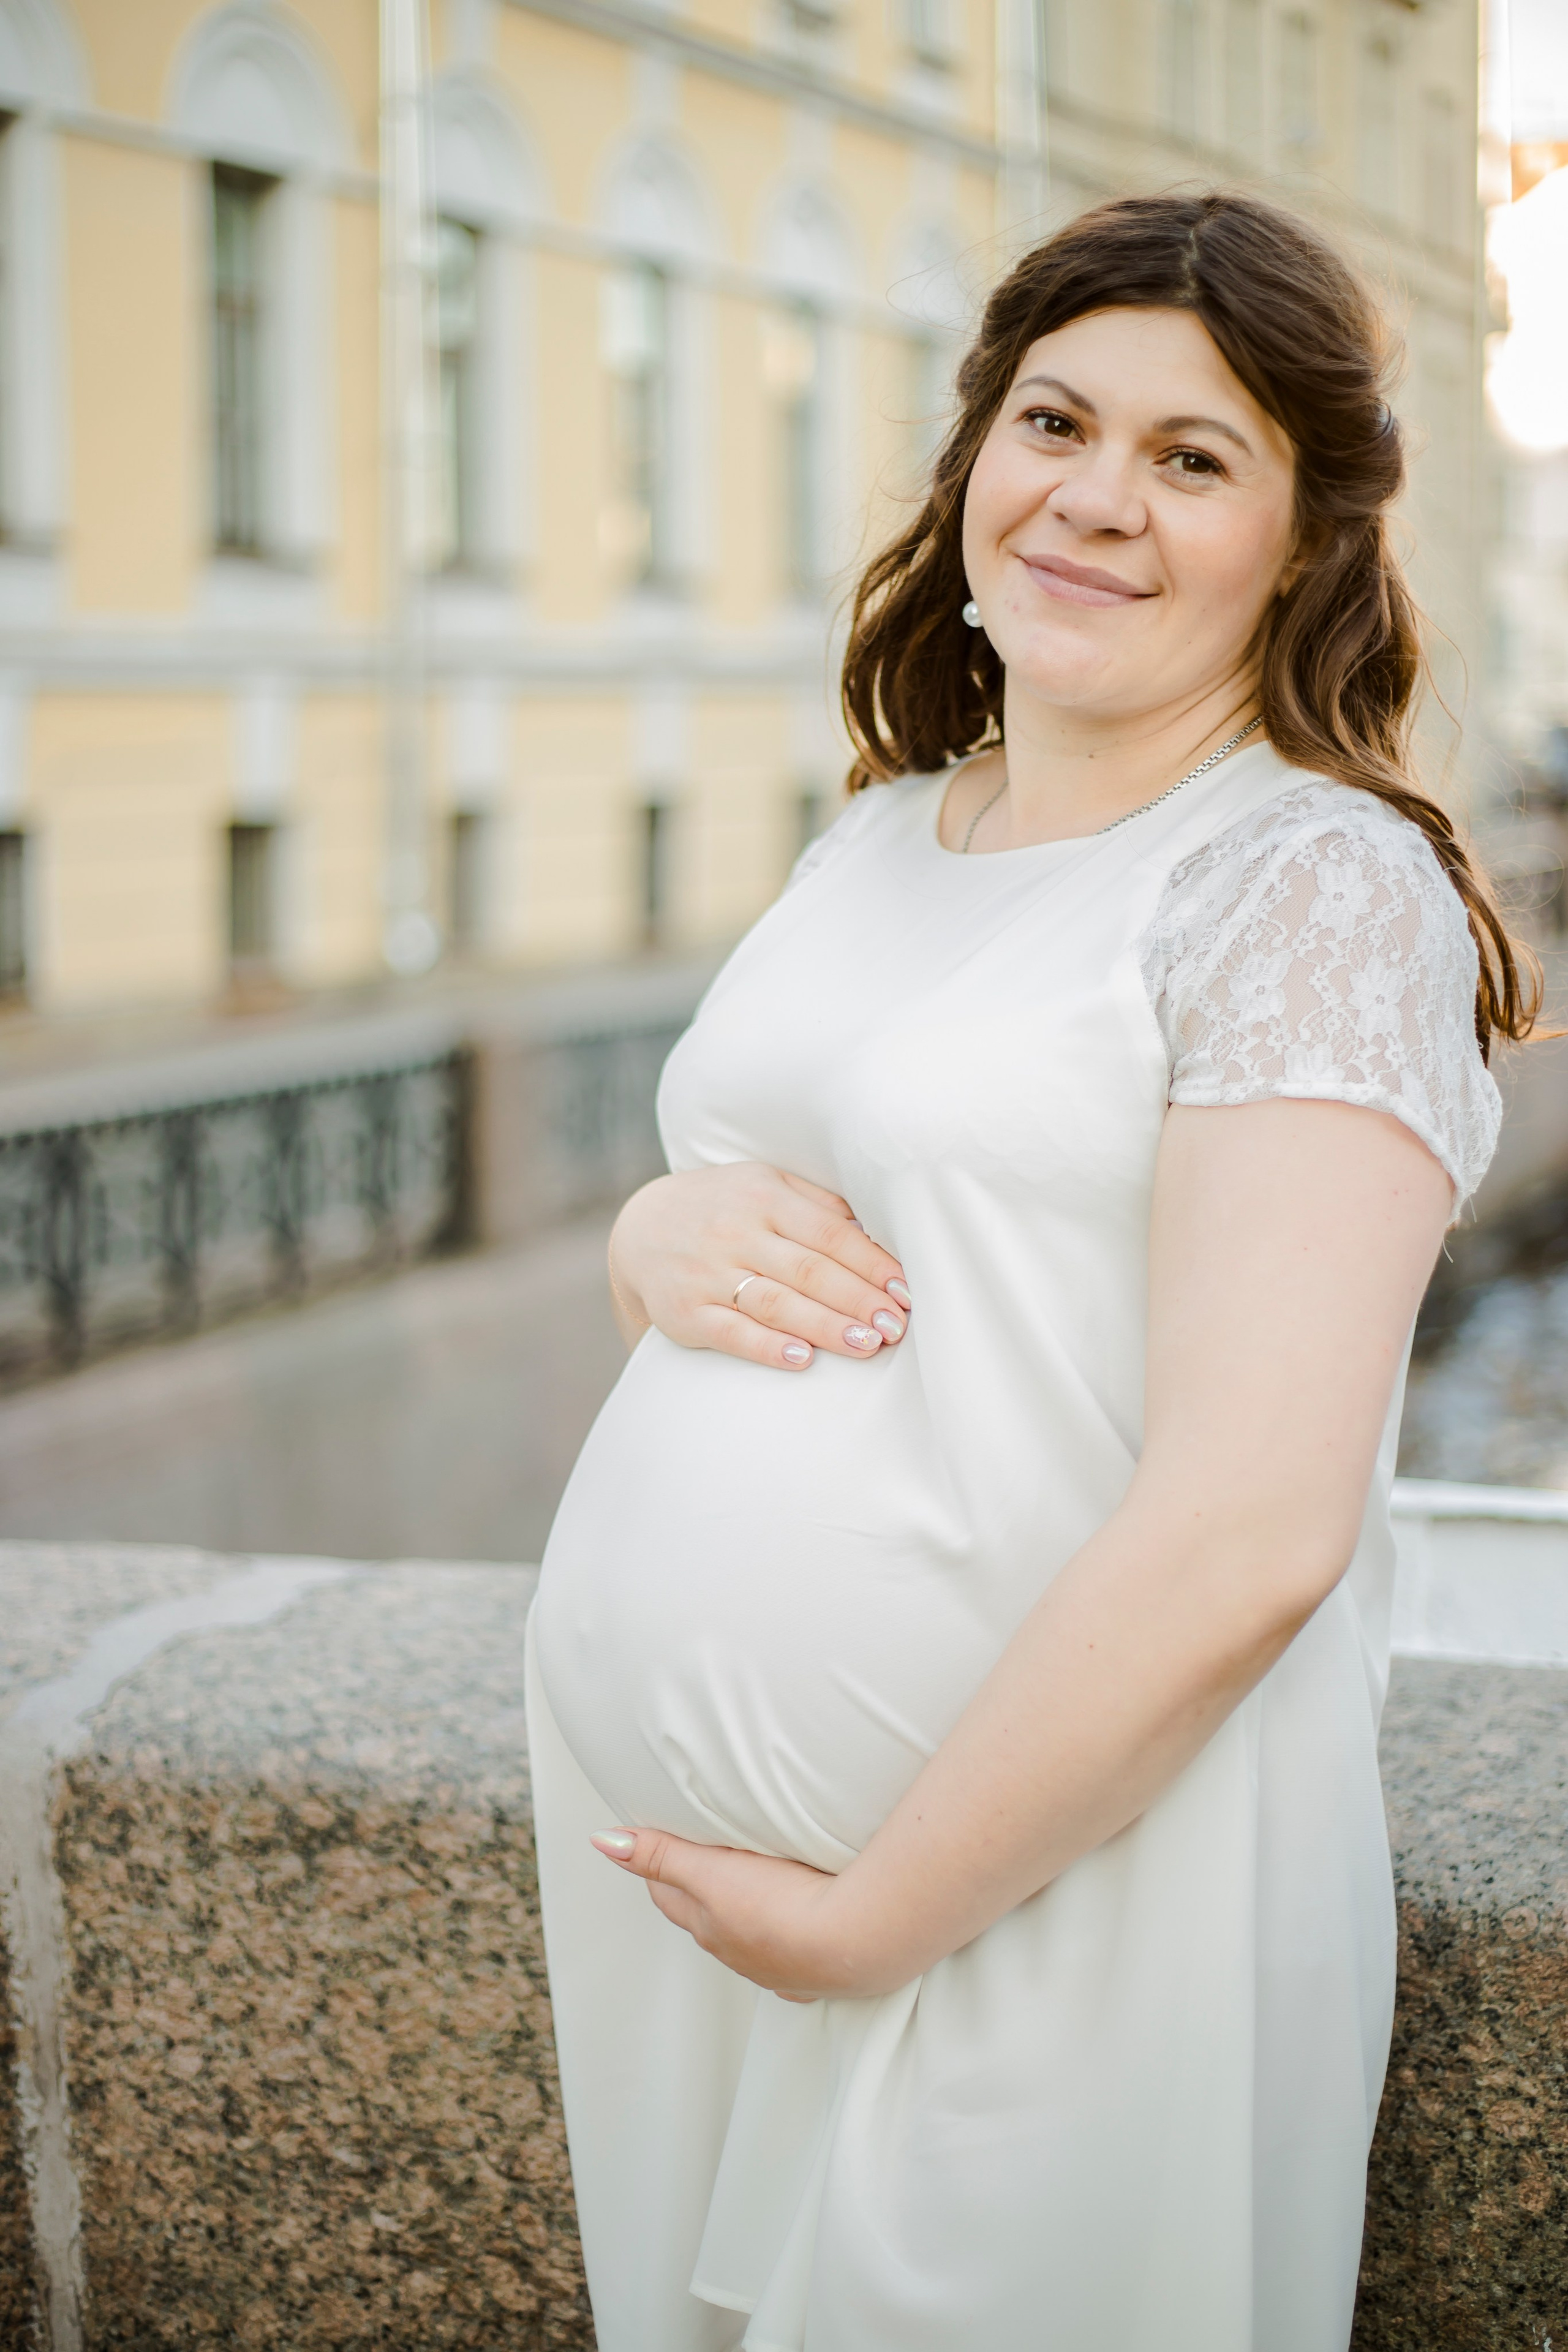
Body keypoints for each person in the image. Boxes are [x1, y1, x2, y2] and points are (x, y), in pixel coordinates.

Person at [525, 191, 1535, 2352]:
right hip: (714, 1928)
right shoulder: (891, 829)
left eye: (1195, 457)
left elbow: (1256, 1523)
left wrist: (880, 1914)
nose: (1093, 496)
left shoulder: (1310, 891)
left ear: (1309, 539)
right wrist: (643, 1240)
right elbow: (829, 1265)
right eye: (1055, 419)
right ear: (974, 450)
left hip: (1048, 1925)